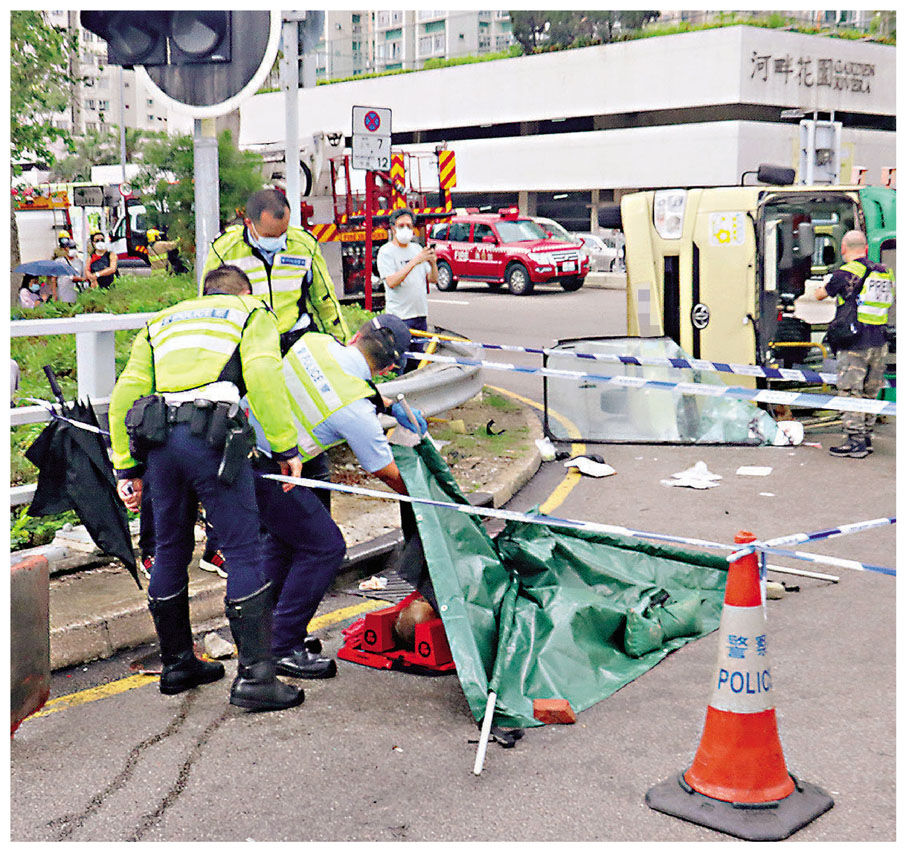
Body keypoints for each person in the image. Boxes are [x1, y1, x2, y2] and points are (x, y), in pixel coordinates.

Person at [109, 264, 306, 712]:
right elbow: (263, 374)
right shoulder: (250, 311)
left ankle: (178, 664)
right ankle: (257, 679)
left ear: (203, 293)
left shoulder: (162, 320)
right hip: (213, 439)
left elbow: (126, 393)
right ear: (244, 292)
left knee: (170, 547)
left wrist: (126, 466)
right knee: (243, 552)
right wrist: (285, 445)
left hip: (161, 443)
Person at [245, 313, 427, 678]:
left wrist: (388, 406)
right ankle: (283, 647)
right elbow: (385, 470)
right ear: (388, 369)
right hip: (270, 469)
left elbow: (342, 381)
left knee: (286, 542)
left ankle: (263, 633)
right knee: (325, 547)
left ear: (357, 335)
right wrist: (425, 498)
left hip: (243, 448)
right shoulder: (354, 410)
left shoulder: (314, 342)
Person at [202, 188, 351, 510]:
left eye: (283, 233)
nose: (279, 241)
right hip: (250, 350)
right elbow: (210, 305)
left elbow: (325, 301)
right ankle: (262, 516)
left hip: (296, 346)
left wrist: (342, 349)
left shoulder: (303, 244)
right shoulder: (224, 249)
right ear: (249, 223)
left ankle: (317, 511)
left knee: (310, 429)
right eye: (271, 235)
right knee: (252, 435)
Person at [815, 229, 895, 458]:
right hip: (879, 341)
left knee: (851, 392)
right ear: (866, 249)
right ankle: (866, 437)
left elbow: (820, 295)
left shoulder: (845, 273)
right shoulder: (884, 272)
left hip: (854, 343)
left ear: (843, 249)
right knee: (870, 392)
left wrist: (825, 284)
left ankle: (855, 442)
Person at [376, 207, 438, 373]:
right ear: (393, 228)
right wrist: (415, 261)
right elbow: (391, 282)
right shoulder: (386, 252)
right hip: (400, 317)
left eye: (409, 226)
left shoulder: (417, 249)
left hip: (419, 315)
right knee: (400, 363)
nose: (405, 229)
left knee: (417, 363)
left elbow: (433, 279)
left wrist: (433, 263)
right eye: (401, 226)